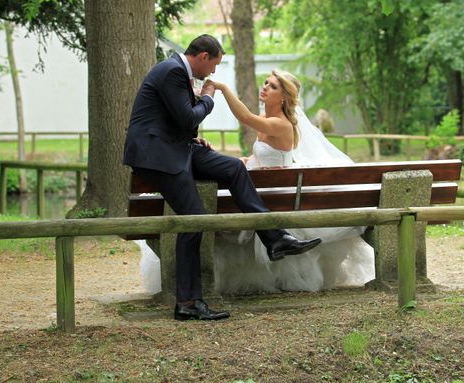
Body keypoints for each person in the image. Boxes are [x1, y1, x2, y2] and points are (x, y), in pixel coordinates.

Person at [123, 35, 321, 321]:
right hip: (157, 157)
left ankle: (275, 238)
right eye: (214, 64)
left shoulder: (176, 72)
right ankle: (188, 303)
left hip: (178, 148)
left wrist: (194, 139)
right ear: (203, 57)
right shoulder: (172, 71)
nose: (214, 72)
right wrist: (207, 97)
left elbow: (177, 121)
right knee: (194, 220)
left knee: (234, 168)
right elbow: (188, 116)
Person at [209, 70, 375, 294]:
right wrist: (248, 159)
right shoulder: (271, 121)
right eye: (266, 83)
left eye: (273, 86)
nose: (265, 87)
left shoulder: (281, 124)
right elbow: (269, 155)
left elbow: (246, 118)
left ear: (285, 97)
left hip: (272, 195)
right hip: (268, 190)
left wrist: (223, 88)